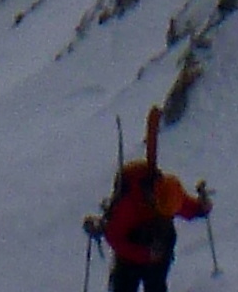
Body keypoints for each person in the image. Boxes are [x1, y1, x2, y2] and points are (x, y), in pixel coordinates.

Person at [85, 106, 211, 290]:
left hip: (159, 248)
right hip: (132, 250)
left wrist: (201, 208)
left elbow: (187, 207)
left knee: (156, 284)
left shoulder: (171, 190)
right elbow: (115, 237)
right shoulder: (127, 203)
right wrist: (144, 255)